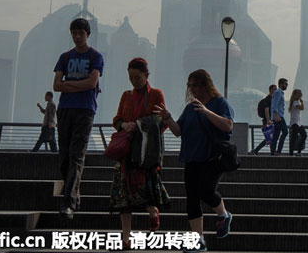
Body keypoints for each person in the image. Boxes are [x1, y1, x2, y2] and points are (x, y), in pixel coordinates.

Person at [156, 69, 234, 253]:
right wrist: (168, 119)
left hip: (212, 158)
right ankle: (198, 241)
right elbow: (178, 131)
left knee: (206, 191)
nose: (193, 90)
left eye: (196, 85)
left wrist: (207, 111)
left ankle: (223, 214)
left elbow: (228, 125)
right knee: (192, 200)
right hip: (191, 157)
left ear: (205, 85)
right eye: (190, 86)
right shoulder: (190, 107)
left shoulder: (220, 103)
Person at [109, 58, 170, 249]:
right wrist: (123, 125)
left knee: (146, 194)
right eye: (131, 77)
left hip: (146, 153)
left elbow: (162, 121)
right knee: (123, 199)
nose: (134, 81)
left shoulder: (156, 95)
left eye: (137, 77)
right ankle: (125, 239)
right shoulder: (126, 96)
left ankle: (153, 211)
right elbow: (117, 118)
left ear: (146, 76)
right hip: (127, 152)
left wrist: (139, 125)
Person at [53, 17, 104, 219]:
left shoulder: (96, 56)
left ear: (87, 34)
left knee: (77, 155)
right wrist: (79, 84)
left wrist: (69, 84)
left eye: (80, 33)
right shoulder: (64, 57)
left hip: (85, 109)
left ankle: (68, 203)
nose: (77, 36)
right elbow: (56, 85)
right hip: (65, 109)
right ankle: (74, 196)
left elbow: (92, 83)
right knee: (64, 157)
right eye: (74, 33)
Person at [250, 84, 276, 154]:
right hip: (267, 121)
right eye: (275, 89)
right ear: (270, 90)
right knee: (269, 138)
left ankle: (271, 152)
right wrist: (268, 120)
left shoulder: (271, 100)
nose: (276, 91)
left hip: (268, 121)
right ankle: (256, 151)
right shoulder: (268, 100)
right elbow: (266, 110)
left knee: (270, 138)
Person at [270, 77, 289, 156]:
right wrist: (276, 115)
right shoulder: (278, 92)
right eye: (285, 84)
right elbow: (274, 105)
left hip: (277, 116)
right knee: (285, 132)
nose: (287, 85)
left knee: (276, 135)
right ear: (281, 84)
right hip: (278, 117)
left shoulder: (280, 93)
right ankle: (278, 150)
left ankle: (273, 152)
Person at [288, 88, 306, 156]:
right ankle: (292, 153)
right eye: (300, 94)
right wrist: (302, 102)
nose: (301, 95)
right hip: (294, 123)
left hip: (298, 123)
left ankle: (298, 151)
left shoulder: (297, 101)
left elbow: (302, 108)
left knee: (303, 135)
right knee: (294, 138)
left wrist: (301, 102)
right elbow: (302, 108)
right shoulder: (295, 102)